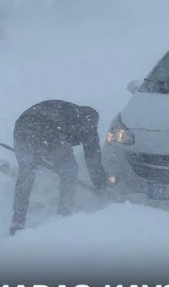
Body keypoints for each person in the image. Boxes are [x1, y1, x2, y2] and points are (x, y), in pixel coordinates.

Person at [10, 100, 107, 235]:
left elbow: (92, 158)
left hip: (22, 127)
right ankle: (63, 216)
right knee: (70, 170)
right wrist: (101, 187)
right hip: (46, 129)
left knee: (26, 172)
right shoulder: (83, 124)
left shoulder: (72, 113)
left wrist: (37, 153)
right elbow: (93, 161)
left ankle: (17, 222)